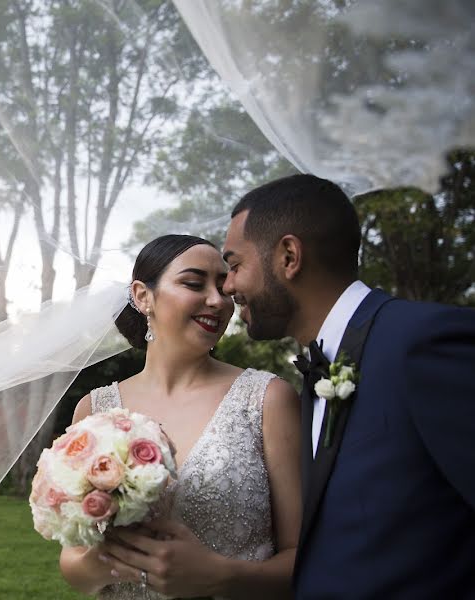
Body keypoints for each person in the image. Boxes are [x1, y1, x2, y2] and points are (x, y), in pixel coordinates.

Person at [221, 173, 475, 598]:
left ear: (288, 256)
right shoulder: (313, 376)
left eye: (234, 265)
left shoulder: (423, 342)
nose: (227, 286)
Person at [59, 234, 301, 599]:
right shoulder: (95, 410)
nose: (218, 300)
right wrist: (108, 560)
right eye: (193, 283)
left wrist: (223, 576)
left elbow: (304, 558)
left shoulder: (267, 399)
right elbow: (73, 562)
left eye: (223, 286)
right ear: (143, 296)